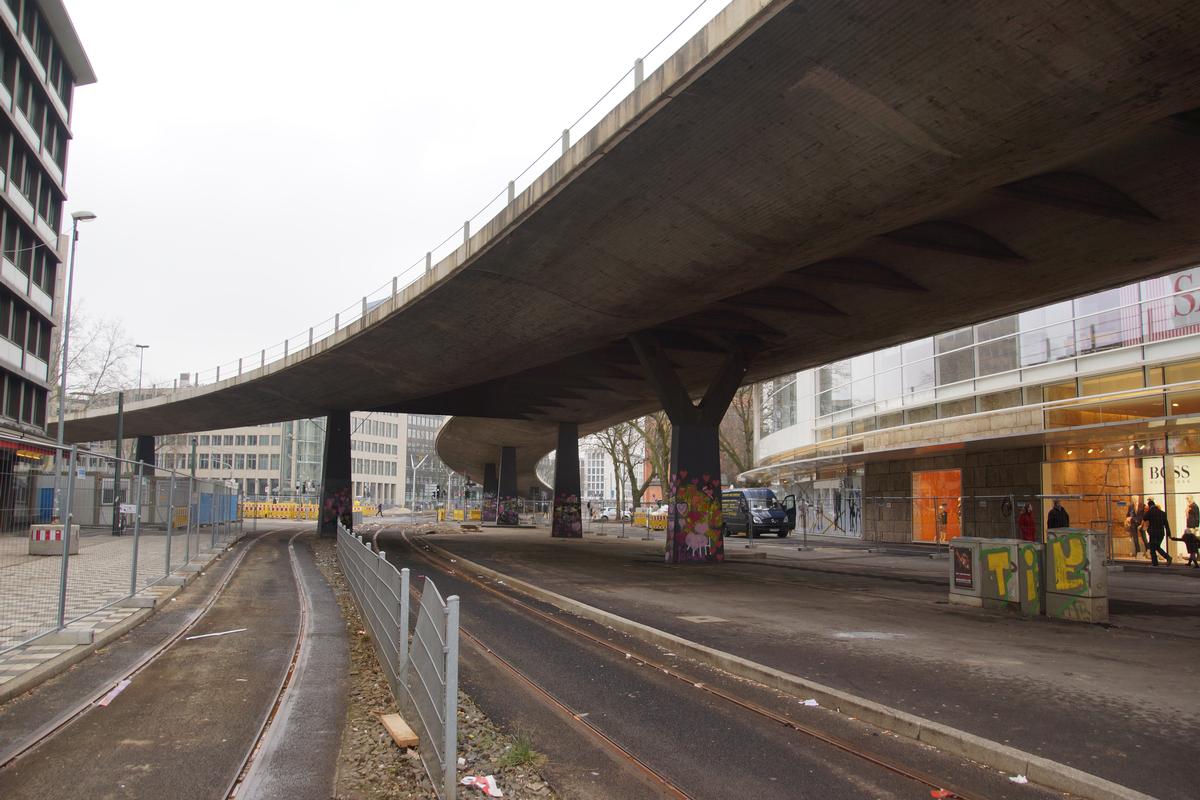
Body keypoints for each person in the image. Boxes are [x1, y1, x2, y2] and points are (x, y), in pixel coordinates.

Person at [1143, 498, 1173, 566]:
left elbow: (1144, 517)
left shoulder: (1150, 512)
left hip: (1153, 533)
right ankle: (1157, 562)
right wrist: (1169, 534)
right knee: (1155, 546)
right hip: (1161, 533)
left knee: (1153, 547)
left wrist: (1147, 511)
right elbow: (1166, 524)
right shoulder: (1162, 513)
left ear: (1149, 506)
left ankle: (1166, 558)